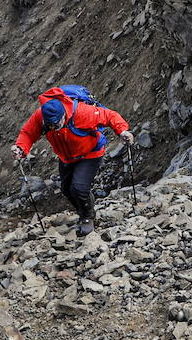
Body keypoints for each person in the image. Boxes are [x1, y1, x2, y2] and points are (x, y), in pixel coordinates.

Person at [12, 85, 132, 235]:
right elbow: (28, 133)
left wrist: (122, 131)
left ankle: (87, 217)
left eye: (56, 124)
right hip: (67, 157)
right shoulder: (41, 116)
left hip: (90, 153)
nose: (54, 128)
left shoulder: (83, 113)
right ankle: (84, 208)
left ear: (63, 115)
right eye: (50, 126)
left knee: (79, 188)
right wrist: (21, 148)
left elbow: (110, 116)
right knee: (67, 189)